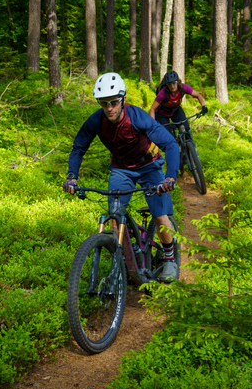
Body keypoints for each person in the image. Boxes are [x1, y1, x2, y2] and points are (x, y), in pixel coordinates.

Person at [63, 72, 181, 282]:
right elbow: (78, 147)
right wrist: (72, 177)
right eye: (104, 103)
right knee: (115, 215)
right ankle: (125, 256)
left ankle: (170, 258)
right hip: (121, 168)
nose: (109, 108)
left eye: (114, 102)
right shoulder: (97, 121)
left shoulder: (137, 117)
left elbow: (170, 144)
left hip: (149, 165)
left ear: (123, 99)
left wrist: (170, 177)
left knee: (159, 214)